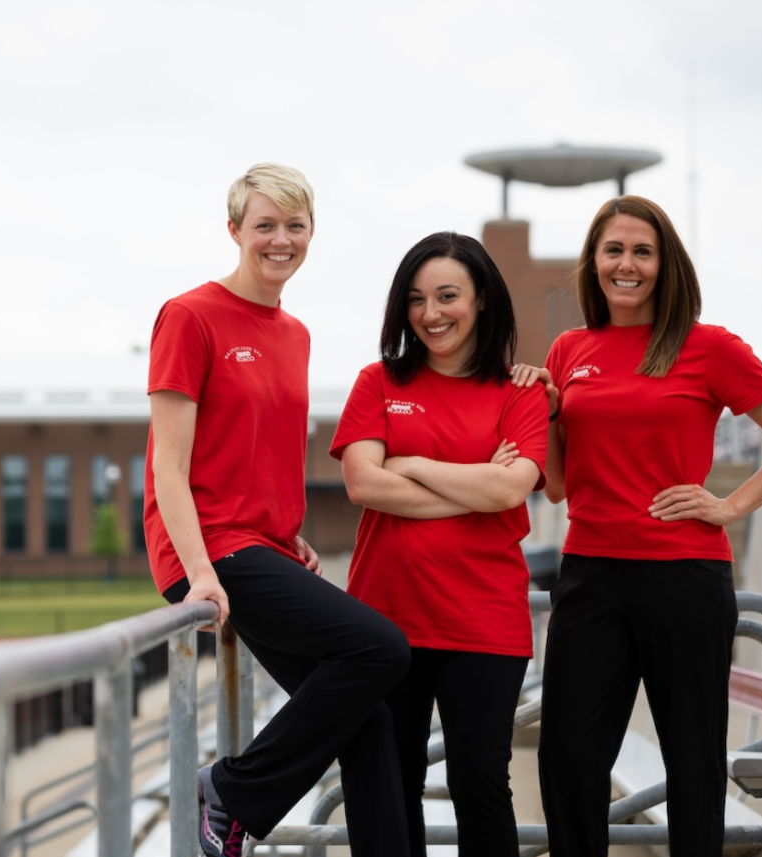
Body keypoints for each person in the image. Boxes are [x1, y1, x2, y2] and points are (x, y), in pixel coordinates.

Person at [511, 195, 762, 856]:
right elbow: (557, 483)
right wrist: (551, 413)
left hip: (685, 577)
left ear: (664, 263)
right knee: (568, 760)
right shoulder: (569, 348)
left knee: (695, 766)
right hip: (591, 579)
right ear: (594, 262)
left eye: (642, 251)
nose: (627, 264)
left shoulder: (708, 347)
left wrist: (731, 506)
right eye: (614, 250)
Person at [142, 163, 412, 857]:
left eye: (295, 225)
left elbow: (260, 444)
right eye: (265, 225)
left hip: (261, 548)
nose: (280, 239)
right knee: (381, 646)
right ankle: (232, 789)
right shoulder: (189, 315)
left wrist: (283, 531)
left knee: (369, 719)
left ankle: (242, 797)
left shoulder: (295, 333)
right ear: (235, 230)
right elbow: (169, 465)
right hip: (207, 552)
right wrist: (201, 571)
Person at [330, 231, 548, 856]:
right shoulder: (378, 382)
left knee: (479, 784)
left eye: (448, 295)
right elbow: (362, 484)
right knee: (389, 786)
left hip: (484, 621)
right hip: (386, 619)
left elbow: (513, 491)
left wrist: (411, 461)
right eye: (417, 299)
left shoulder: (522, 391)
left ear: (481, 299)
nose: (431, 314)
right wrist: (478, 484)